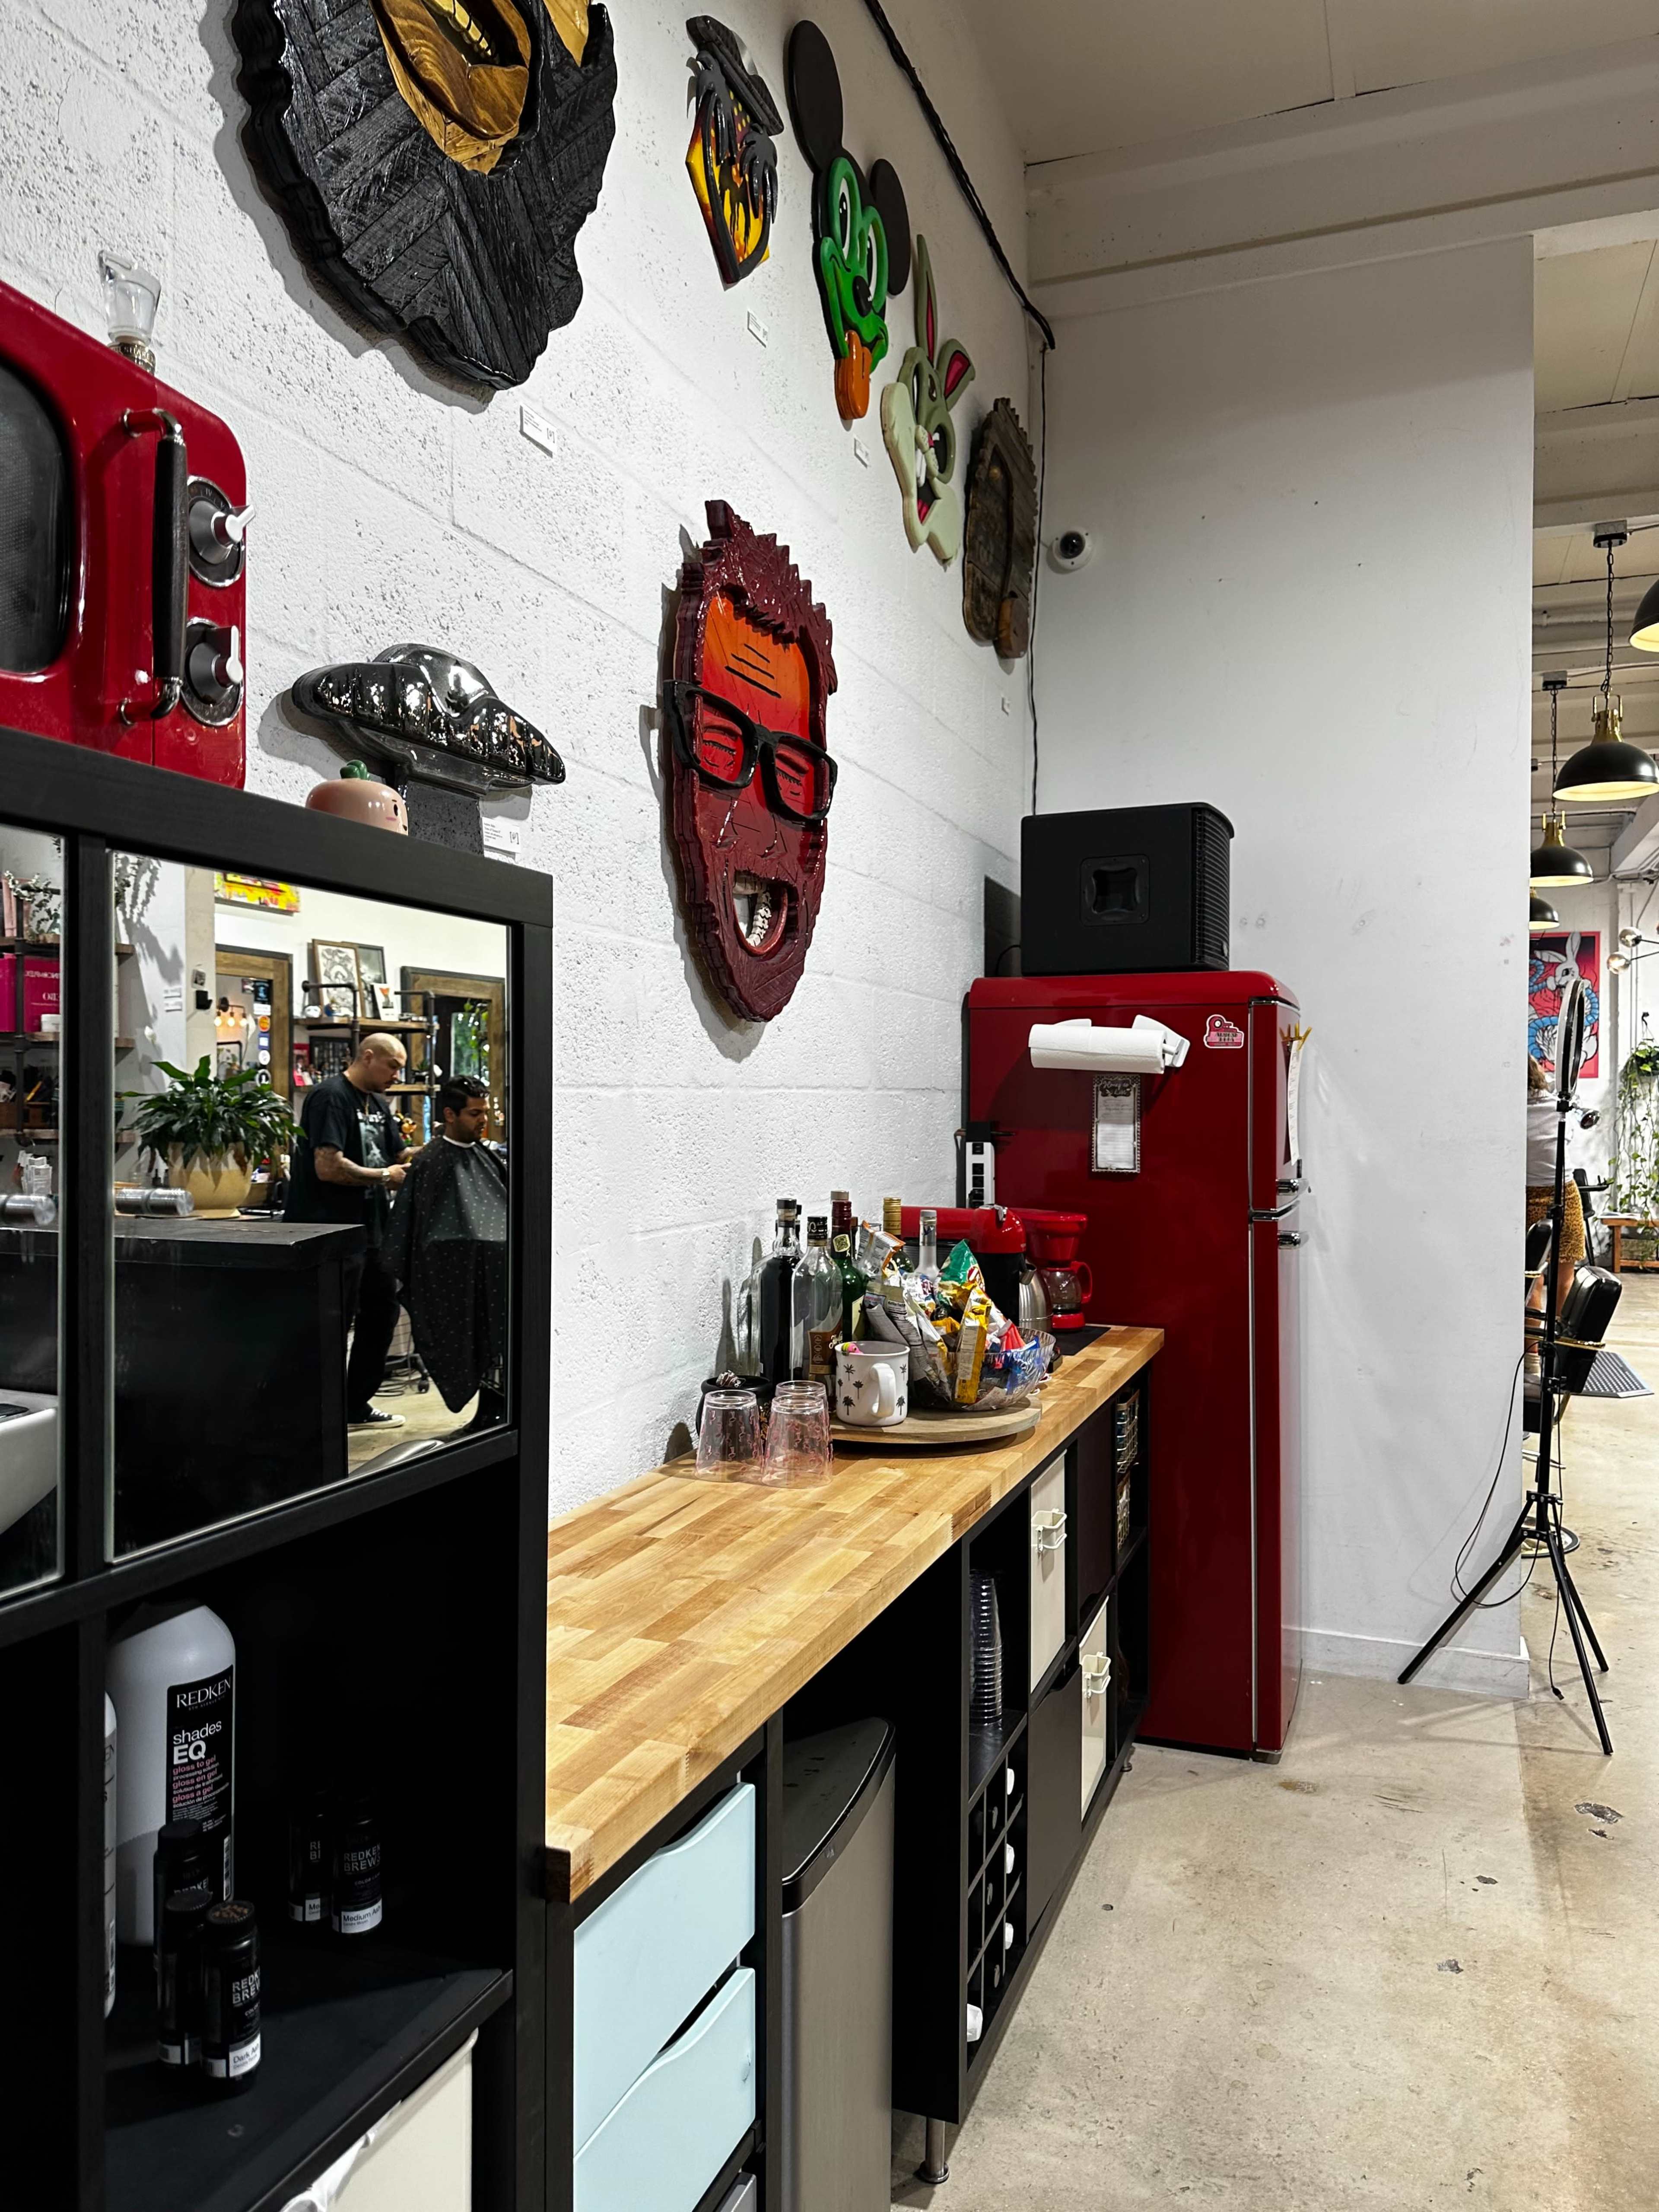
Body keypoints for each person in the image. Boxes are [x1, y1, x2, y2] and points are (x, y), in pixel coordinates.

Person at [285, 1033, 410, 1430]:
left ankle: (354, 1405)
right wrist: (382, 1177)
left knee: (382, 1314)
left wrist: (446, 1146)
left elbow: (399, 1154)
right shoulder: (330, 1097)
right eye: (392, 1066)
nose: (397, 1074)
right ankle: (318, 1414)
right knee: (331, 1324)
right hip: (332, 1231)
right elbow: (328, 1166)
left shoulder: (376, 1103)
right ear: (368, 1057)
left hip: (373, 1231)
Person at [384, 1076, 508, 1432]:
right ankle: (488, 1413)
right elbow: (419, 1231)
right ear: (450, 1115)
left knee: (502, 1344)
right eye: (475, 1114)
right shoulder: (432, 1162)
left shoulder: (485, 1156)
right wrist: (478, 1244)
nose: (483, 1120)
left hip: (494, 1270)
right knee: (476, 1338)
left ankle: (497, 1408)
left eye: (485, 1112)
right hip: (452, 1276)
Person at [1526, 1053, 1583, 1380]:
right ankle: (1559, 1356)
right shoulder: (1560, 1107)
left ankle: (1532, 1361)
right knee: (1564, 1280)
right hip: (1564, 1191)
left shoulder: (1505, 1111)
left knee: (1532, 1282)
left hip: (1526, 1194)